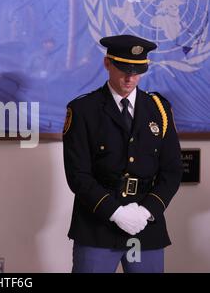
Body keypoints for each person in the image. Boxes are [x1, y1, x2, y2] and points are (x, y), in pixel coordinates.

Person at [62, 34, 183, 273]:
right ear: (108, 64)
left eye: (137, 70)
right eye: (123, 69)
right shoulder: (83, 110)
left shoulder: (159, 109)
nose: (130, 77)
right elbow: (78, 175)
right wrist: (116, 213)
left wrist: (146, 211)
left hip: (144, 226)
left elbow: (172, 170)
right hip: (97, 225)